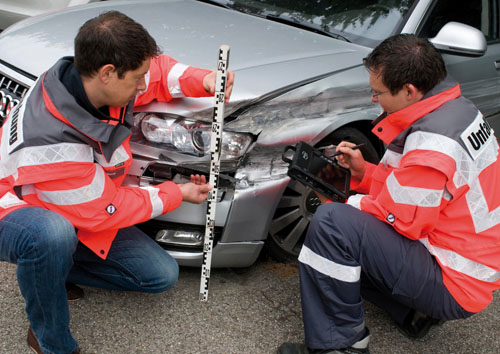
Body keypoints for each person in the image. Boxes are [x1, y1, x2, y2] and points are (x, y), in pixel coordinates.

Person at [0, 11, 234, 354]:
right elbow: (105, 210)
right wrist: (176, 193)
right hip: (15, 209)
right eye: (136, 79)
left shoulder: (85, 80)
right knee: (49, 236)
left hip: (69, 201)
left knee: (159, 275)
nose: (143, 85)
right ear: (108, 74)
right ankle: (50, 338)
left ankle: (52, 269)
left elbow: (158, 71)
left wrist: (205, 79)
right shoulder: (55, 143)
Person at [278, 34, 500, 354]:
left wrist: (344, 202)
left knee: (331, 225)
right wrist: (363, 174)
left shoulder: (431, 140)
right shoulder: (455, 111)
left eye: (377, 92)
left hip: (452, 279)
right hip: (467, 265)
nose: (374, 99)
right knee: (346, 232)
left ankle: (340, 346)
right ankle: (413, 312)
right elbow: (416, 190)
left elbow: (404, 220)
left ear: (409, 90)